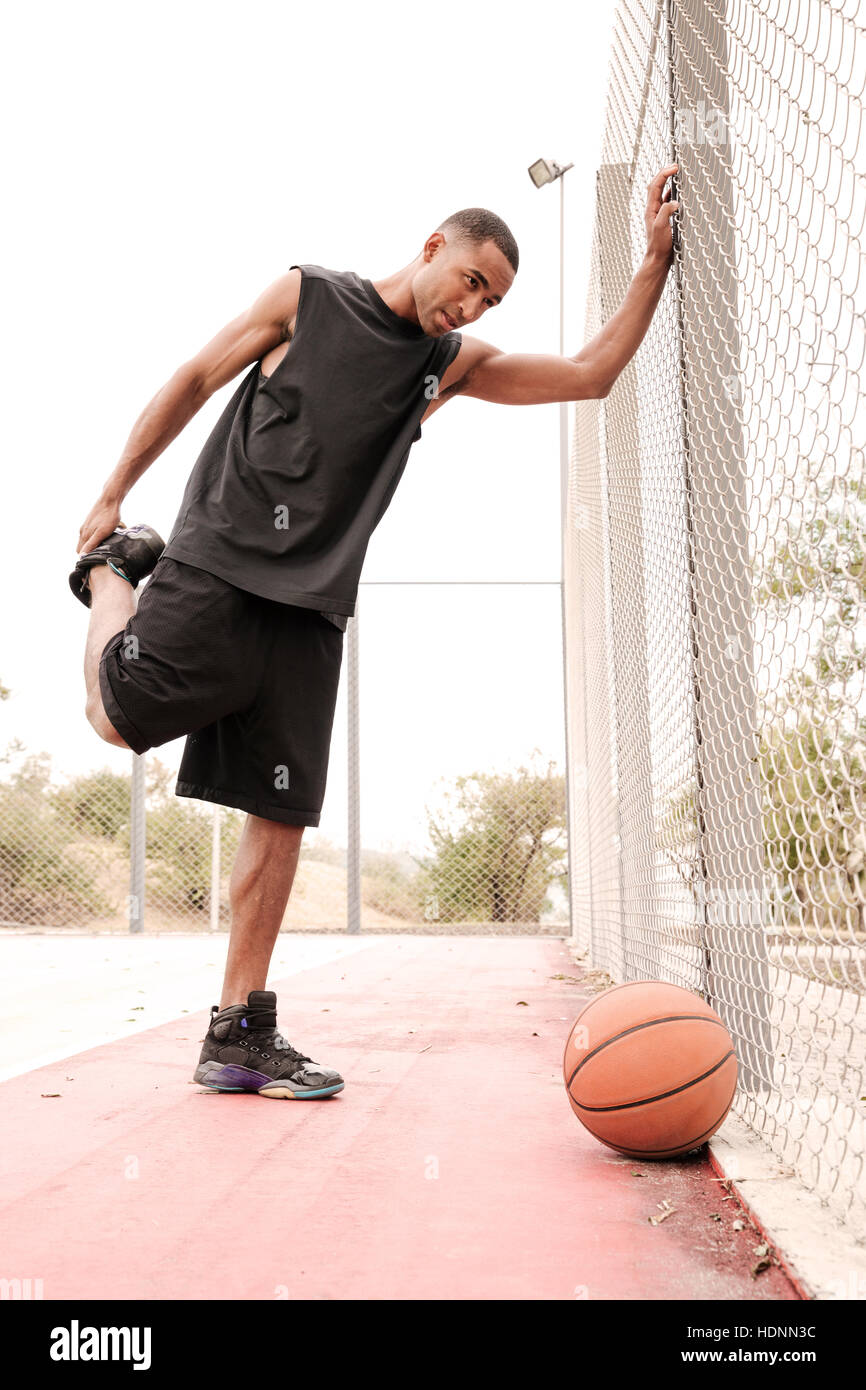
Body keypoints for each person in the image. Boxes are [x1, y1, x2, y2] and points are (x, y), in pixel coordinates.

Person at [71, 166, 680, 1100]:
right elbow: (195, 377)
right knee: (116, 720)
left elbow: (590, 376)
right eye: (472, 279)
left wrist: (652, 264)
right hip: (217, 565)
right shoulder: (307, 296)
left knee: (278, 821)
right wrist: (114, 493)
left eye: (493, 297)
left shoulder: (448, 363)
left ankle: (239, 1031)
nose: (472, 304)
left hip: (311, 612)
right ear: (432, 246)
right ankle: (114, 570)